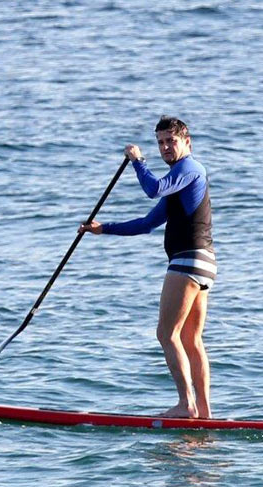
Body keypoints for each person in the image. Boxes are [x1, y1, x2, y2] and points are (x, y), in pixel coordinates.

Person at [79, 116, 215, 419]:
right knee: (191, 339)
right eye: (161, 143)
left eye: (171, 141)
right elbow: (147, 224)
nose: (166, 147)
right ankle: (204, 412)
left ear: (187, 142)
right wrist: (104, 229)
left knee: (167, 334)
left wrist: (138, 161)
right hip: (204, 265)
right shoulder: (180, 184)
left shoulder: (189, 169)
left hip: (187, 261)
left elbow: (153, 188)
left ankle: (187, 405)